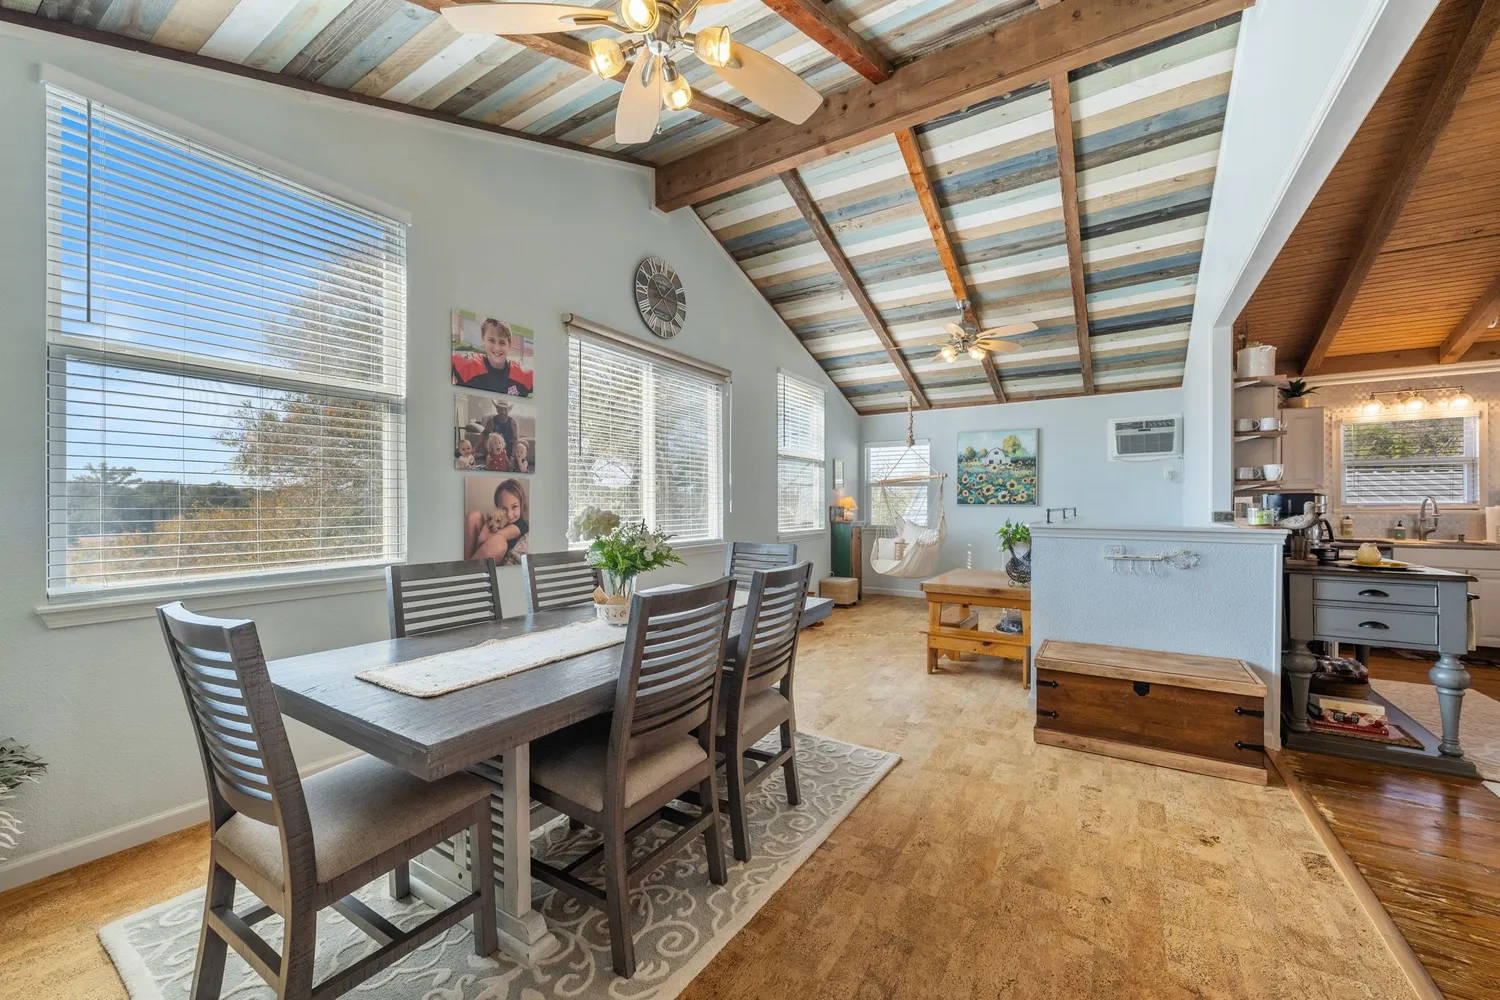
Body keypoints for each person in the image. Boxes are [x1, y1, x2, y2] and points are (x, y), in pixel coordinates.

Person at [451, 318, 533, 396]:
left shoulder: (523, 375)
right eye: (491, 341)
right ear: (483, 339)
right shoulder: (467, 366)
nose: (497, 348)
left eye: (502, 343)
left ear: (509, 344)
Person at [465, 479, 530, 564]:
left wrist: (485, 529)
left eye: (514, 507)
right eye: (503, 508)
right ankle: (466, 562)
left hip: (493, 552)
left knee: (499, 542)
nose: (509, 515)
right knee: (474, 516)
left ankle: (468, 568)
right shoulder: (497, 517)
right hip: (482, 550)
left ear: (522, 505)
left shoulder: (522, 524)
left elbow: (483, 538)